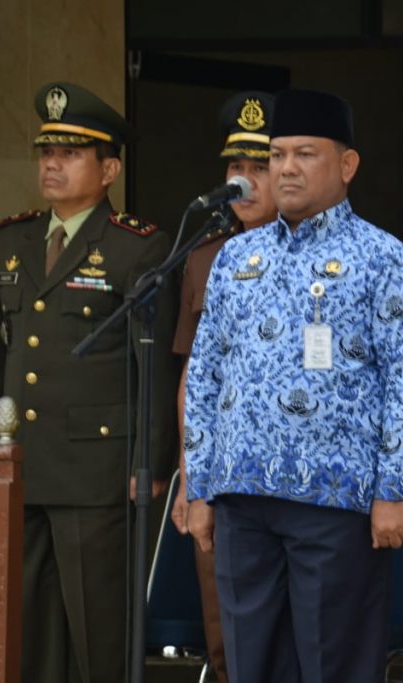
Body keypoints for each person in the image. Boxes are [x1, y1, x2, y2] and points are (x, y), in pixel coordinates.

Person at [183, 88, 403, 683]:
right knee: (252, 665)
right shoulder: (235, 258)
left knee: (332, 665)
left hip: (334, 503)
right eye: (277, 155)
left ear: (346, 166)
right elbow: (205, 372)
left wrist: (394, 487)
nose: (287, 168)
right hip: (242, 498)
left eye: (305, 153)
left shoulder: (382, 258)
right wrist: (200, 484)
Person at [0, 82, 179, 683]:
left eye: (69, 153)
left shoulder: (135, 248)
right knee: (29, 639)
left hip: (98, 475)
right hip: (24, 467)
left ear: (109, 168)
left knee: (98, 642)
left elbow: (153, 370)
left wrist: (149, 467)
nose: (52, 164)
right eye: (46, 152)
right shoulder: (10, 240)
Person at [168, 91, 278, 683]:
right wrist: (192, 475)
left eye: (259, 167)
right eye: (236, 167)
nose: (244, 181)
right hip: (221, 477)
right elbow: (192, 376)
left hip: (289, 484)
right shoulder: (203, 256)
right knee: (225, 637)